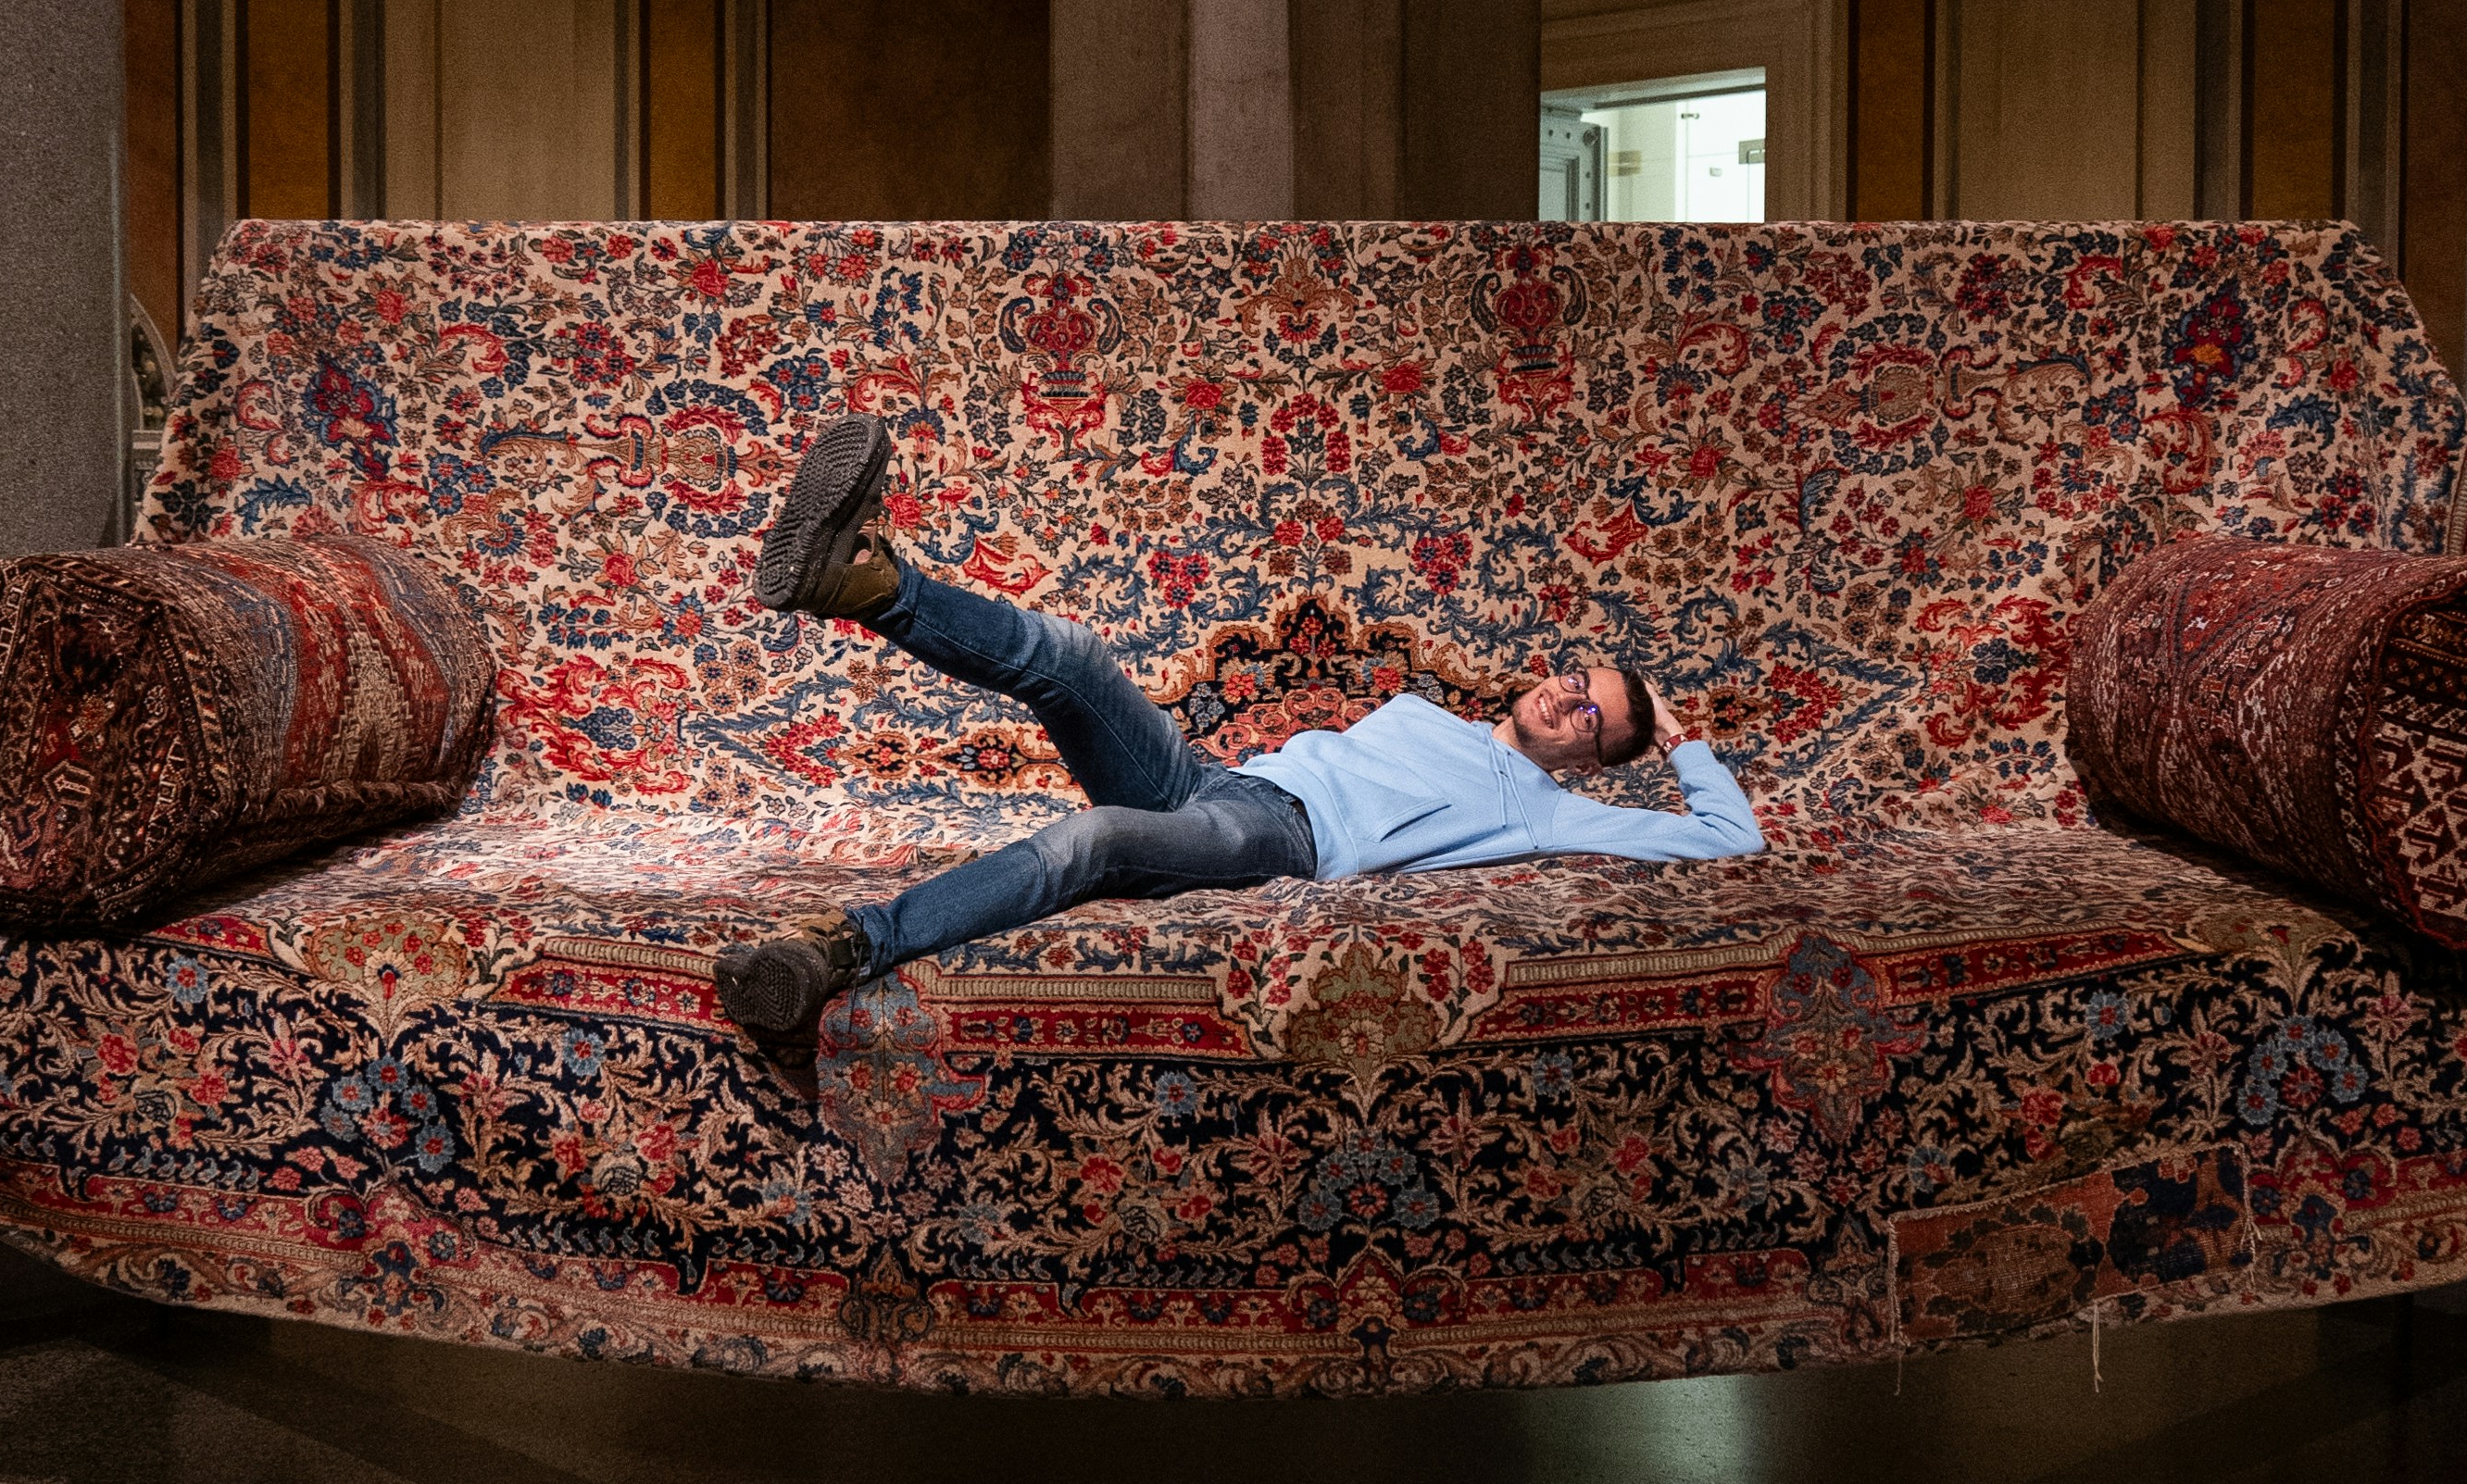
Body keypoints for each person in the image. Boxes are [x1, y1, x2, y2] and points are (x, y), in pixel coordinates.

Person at [714, 411, 1764, 1047]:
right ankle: (859, 584)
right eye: (1577, 679)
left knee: (1095, 841)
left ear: (1595, 757)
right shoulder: (1431, 712)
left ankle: (839, 949)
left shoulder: (1547, 810)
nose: (1567, 699)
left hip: (1280, 837)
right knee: (1071, 656)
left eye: (1592, 716)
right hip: (1216, 779)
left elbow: (1729, 837)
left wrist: (1677, 735)